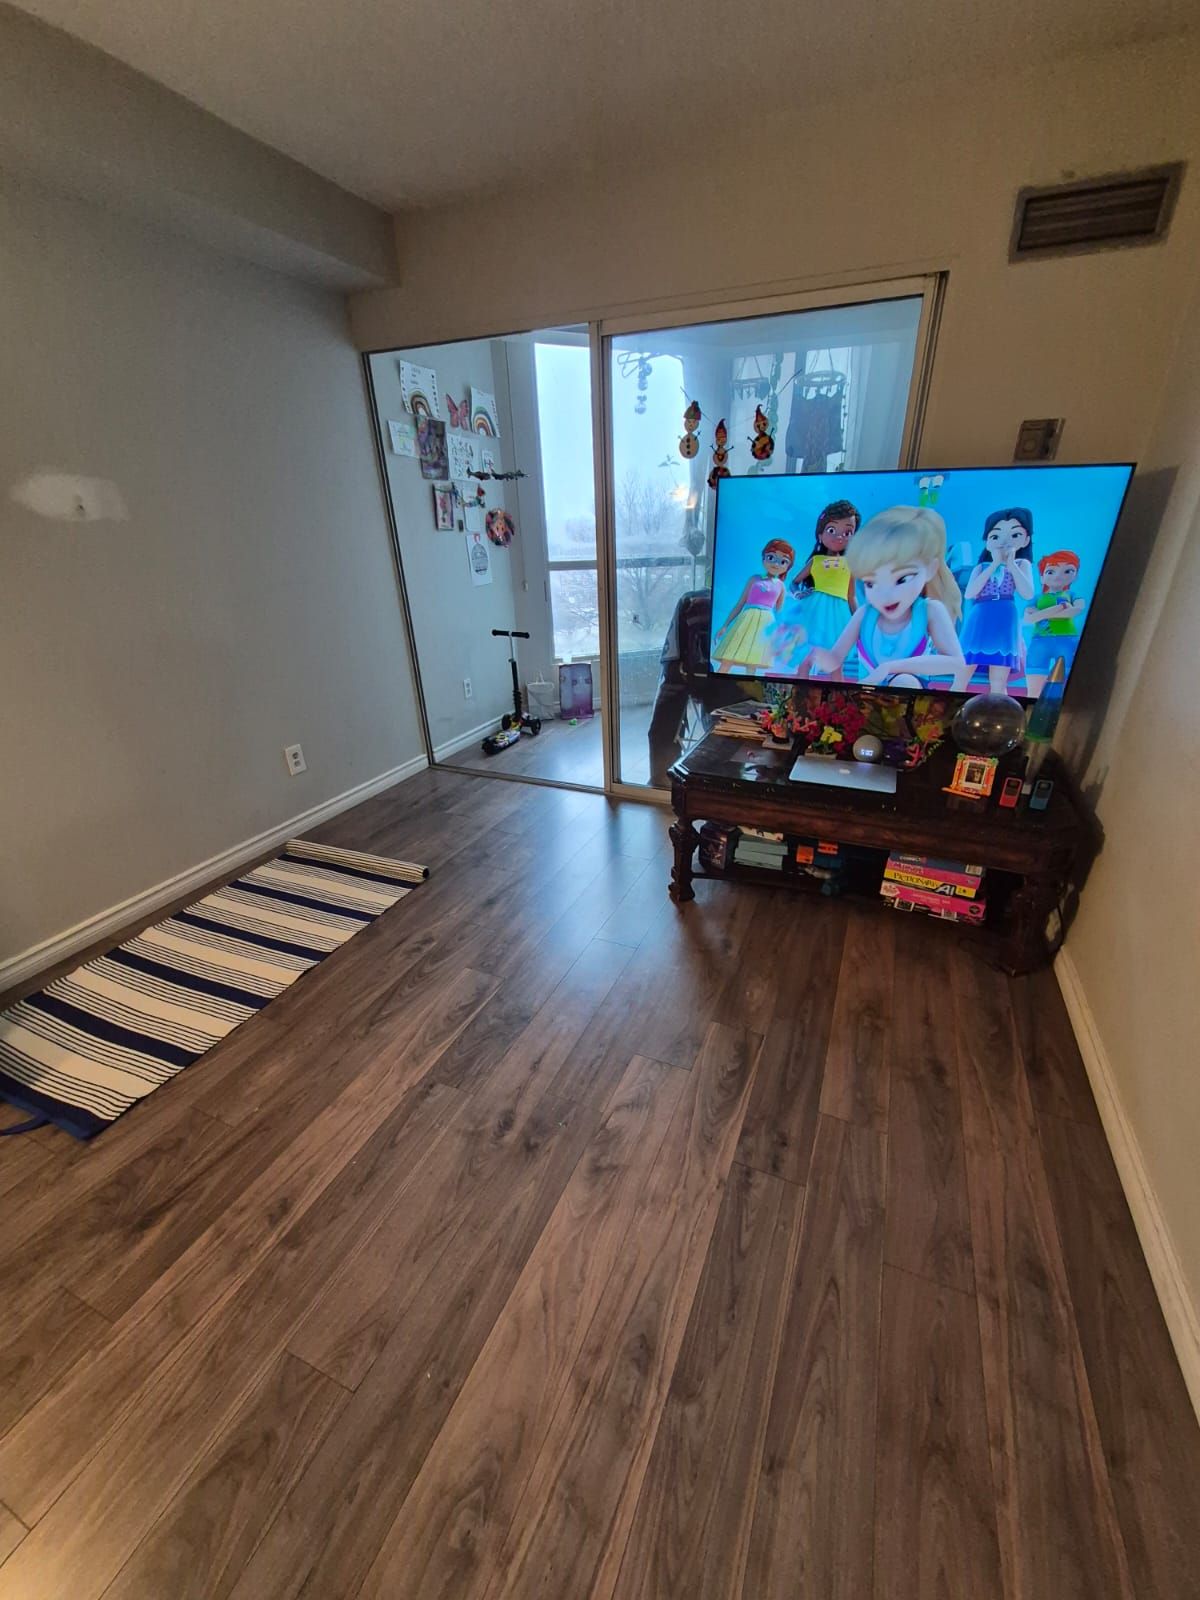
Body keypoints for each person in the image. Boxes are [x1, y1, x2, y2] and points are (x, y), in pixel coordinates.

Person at [810, 505, 965, 688]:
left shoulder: (929, 610)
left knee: (904, 682)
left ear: (930, 569)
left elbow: (955, 661)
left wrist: (891, 668)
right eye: (871, 583)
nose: (885, 595)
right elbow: (834, 659)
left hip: (907, 697)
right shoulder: (864, 614)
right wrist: (810, 651)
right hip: (865, 697)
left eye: (902, 579)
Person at [770, 499, 860, 678]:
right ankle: (799, 691)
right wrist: (798, 593)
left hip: (839, 615)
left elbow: (852, 596)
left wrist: (859, 620)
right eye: (832, 530)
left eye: (847, 532)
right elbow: (795, 582)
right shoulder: (816, 561)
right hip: (813, 610)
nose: (839, 537)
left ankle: (837, 695)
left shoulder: (850, 564)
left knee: (836, 662)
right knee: (806, 656)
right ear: (820, 535)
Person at [956, 508, 1036, 693]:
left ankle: (998, 708)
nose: (1004, 541)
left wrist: (1011, 565)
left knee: (999, 681)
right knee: (962, 673)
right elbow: (970, 593)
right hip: (981, 616)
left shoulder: (1022, 564)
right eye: (995, 536)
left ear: (1026, 540)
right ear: (987, 542)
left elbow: (1027, 594)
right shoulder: (981, 567)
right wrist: (994, 565)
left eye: (1015, 535)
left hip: (1005, 617)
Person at [712, 539, 795, 673]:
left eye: (783, 561)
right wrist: (725, 625)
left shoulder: (780, 586)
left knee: (753, 663)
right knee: (729, 657)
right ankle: (718, 682)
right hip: (745, 621)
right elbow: (740, 603)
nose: (776, 564)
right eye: (771, 557)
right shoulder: (754, 579)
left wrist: (781, 635)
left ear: (788, 566)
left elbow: (779, 612)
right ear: (764, 558)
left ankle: (749, 685)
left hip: (765, 623)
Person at [1024, 549, 1084, 695]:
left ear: (1075, 575)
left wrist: (1042, 614)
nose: (1058, 576)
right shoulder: (1036, 598)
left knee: (1063, 684)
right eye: (1051, 571)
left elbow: (1076, 610)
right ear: (1042, 578)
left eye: (1067, 571)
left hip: (1066, 640)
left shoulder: (1072, 595)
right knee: (1034, 681)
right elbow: (1029, 619)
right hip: (1039, 641)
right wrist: (1061, 607)